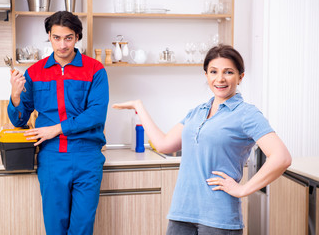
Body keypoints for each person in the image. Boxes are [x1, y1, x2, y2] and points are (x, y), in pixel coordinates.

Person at [113, 44, 291, 235]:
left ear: (241, 77)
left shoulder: (247, 114)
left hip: (219, 219)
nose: (220, 78)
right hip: (181, 213)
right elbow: (164, 144)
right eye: (213, 71)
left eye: (228, 72)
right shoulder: (196, 112)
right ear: (206, 75)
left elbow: (281, 157)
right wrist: (139, 107)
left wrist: (243, 189)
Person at [7, 11, 109, 235]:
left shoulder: (95, 70)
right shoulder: (34, 73)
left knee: (82, 228)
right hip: (52, 159)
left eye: (68, 38)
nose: (62, 45)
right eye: (56, 38)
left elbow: (96, 115)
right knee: (55, 228)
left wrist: (56, 129)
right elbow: (20, 119)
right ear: (49, 36)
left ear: (77, 37)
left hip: (87, 157)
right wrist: (15, 96)